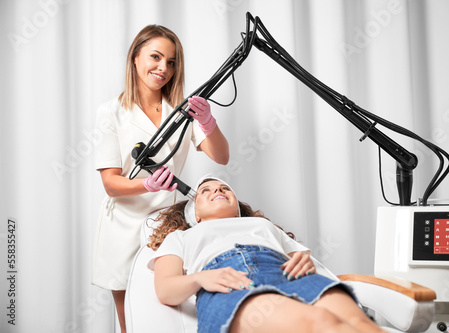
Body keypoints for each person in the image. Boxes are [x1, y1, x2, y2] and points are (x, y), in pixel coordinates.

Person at [93, 25, 230, 333]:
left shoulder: (180, 113)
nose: (163, 68)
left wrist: (207, 122)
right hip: (123, 228)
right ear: (135, 57)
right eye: (155, 57)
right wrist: (147, 184)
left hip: (164, 228)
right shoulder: (111, 112)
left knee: (167, 315)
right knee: (130, 320)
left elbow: (221, 156)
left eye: (171, 62)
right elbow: (111, 183)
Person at [148, 176, 386, 333]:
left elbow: (301, 257)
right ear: (195, 214)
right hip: (232, 283)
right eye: (205, 191)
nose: (217, 190)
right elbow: (166, 289)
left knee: (361, 325)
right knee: (322, 322)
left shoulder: (263, 226)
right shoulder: (181, 237)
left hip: (288, 275)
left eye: (224, 188)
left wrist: (303, 259)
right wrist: (200, 279)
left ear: (238, 207)